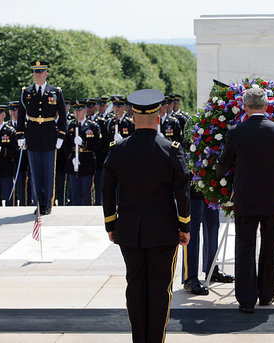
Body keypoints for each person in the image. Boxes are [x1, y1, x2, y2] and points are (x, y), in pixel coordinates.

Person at [102, 89, 190, 343]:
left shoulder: (118, 149)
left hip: (129, 231)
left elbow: (107, 189)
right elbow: (182, 191)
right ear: (159, 114)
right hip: (164, 231)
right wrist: (184, 225)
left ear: (132, 116)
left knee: (136, 287)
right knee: (161, 289)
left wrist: (111, 224)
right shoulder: (170, 149)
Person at [216, 87, 274, 313]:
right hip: (271, 198)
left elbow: (223, 165)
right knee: (270, 246)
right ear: (266, 106)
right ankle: (266, 294)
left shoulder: (237, 131)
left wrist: (214, 172)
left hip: (246, 198)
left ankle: (246, 299)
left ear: (245, 106)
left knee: (244, 246)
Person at [17, 60, 67, 215]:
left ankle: (48, 203)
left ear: (46, 73)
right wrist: (20, 135)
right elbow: (20, 116)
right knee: (35, 172)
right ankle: (38, 202)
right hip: (32, 136)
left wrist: (61, 135)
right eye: (35, 73)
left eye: (40, 72)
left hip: (49, 135)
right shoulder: (26, 92)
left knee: (48, 171)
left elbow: (63, 116)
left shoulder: (55, 92)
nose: (37, 75)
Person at [64, 100, 101, 206]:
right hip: (73, 163)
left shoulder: (92, 126)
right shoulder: (69, 125)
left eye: (80, 110)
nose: (77, 112)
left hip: (87, 162)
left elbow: (98, 144)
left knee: (87, 193)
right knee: (74, 193)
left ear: (85, 110)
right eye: (75, 109)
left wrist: (84, 143)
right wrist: (72, 158)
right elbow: (65, 146)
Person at [7, 101, 32, 206]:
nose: (13, 113)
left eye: (16, 110)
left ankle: (24, 204)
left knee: (24, 186)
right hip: (9, 162)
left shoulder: (26, 125)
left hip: (23, 161)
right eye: (11, 110)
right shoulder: (7, 126)